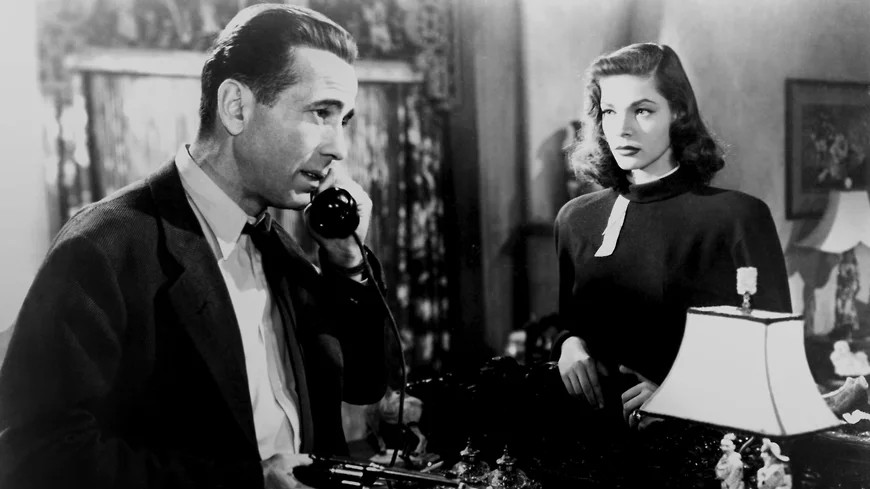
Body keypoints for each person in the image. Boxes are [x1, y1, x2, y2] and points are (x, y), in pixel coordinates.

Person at [0, 4, 389, 489]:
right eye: (320, 113)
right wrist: (245, 483)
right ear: (236, 107)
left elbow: (366, 382)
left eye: (344, 120)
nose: (339, 148)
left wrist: (347, 260)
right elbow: (37, 454)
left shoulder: (281, 246)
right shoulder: (103, 246)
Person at [554, 43, 791, 430]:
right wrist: (568, 344)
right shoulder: (575, 219)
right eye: (610, 111)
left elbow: (774, 363)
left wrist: (681, 397)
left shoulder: (737, 218)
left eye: (642, 110)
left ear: (678, 112)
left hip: (691, 444)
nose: (623, 128)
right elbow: (571, 321)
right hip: (586, 440)